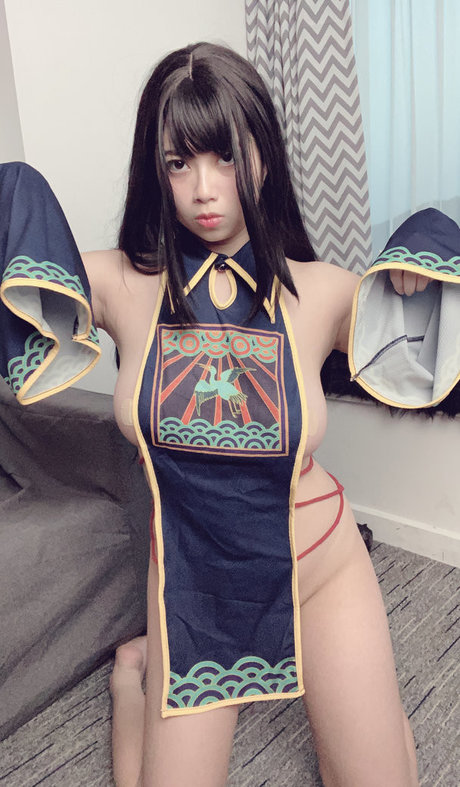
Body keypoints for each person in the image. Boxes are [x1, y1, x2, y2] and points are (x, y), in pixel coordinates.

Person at [1, 42, 426, 786]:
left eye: (226, 157)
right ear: (155, 169)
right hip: (195, 587)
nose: (204, 189)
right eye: (179, 162)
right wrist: (17, 190)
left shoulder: (322, 289)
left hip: (322, 563)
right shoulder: (120, 283)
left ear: (264, 154)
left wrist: (428, 244)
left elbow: (421, 330)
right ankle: (131, 681)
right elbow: (21, 273)